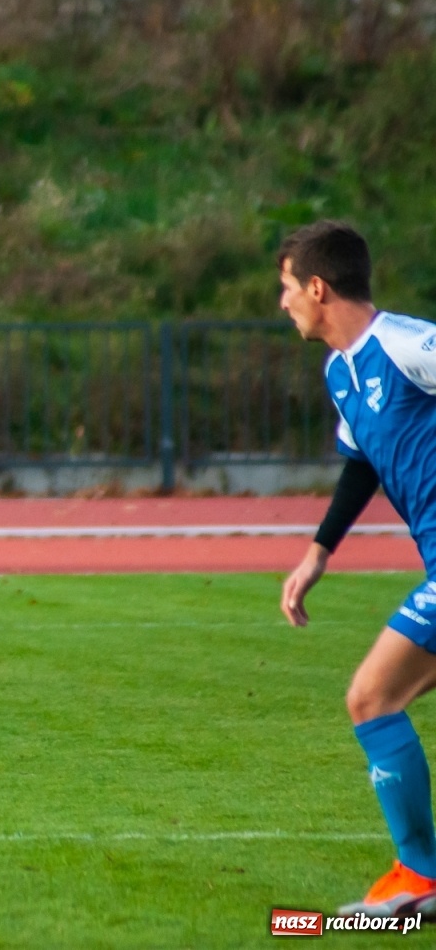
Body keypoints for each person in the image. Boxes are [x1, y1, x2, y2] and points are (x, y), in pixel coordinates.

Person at [279, 221, 436, 918]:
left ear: (318, 287)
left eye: (286, 288)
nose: (282, 302)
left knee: (372, 698)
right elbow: (362, 462)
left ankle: (420, 876)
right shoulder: (340, 372)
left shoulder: (405, 345)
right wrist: (320, 550)